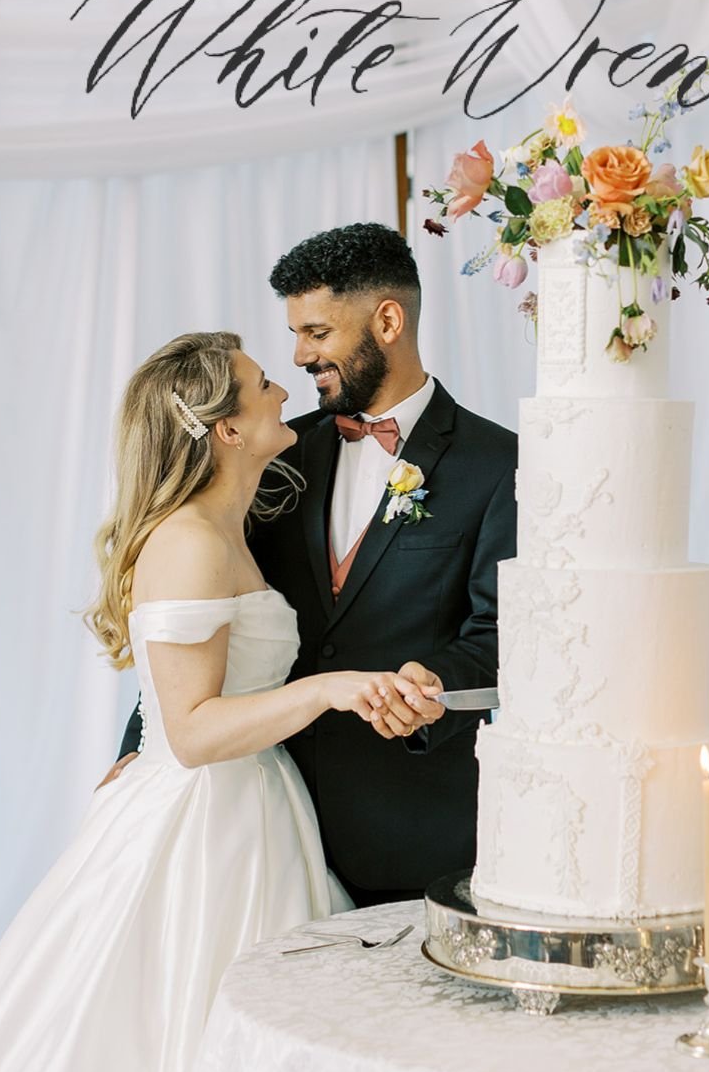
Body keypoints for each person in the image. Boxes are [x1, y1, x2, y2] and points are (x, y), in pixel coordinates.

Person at [0, 331, 435, 1072]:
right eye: (260, 386)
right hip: (203, 825)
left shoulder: (229, 528)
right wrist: (328, 690)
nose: (279, 391)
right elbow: (189, 733)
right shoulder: (188, 543)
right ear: (223, 428)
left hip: (254, 807)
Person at [116, 225, 518, 906]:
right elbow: (195, 615)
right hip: (261, 824)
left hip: (413, 827)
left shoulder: (496, 463)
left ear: (387, 321)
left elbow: (503, 634)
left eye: (317, 332)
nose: (300, 355)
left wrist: (432, 689)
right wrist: (141, 743)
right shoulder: (273, 453)